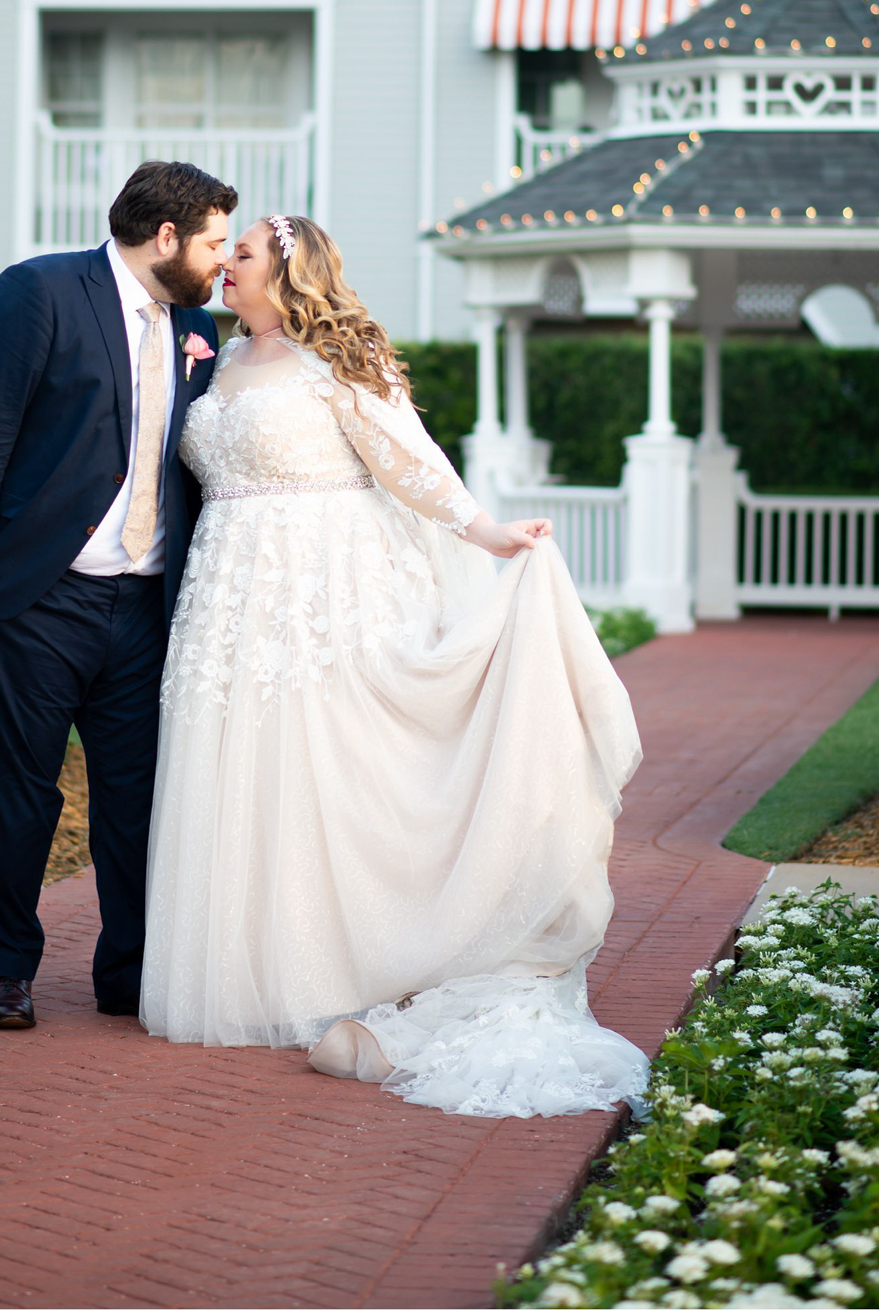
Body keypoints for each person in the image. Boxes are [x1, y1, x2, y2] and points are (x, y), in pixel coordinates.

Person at [139, 212, 649, 1118]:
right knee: (243, 776)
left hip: (319, 591)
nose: (227, 267)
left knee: (326, 777)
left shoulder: (338, 359)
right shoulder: (210, 361)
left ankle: (363, 960)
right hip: (225, 594)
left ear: (287, 270)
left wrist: (487, 533)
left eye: (243, 253)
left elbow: (411, 462)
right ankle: (252, 981)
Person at [0, 160, 234, 1029]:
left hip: (145, 604)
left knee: (136, 801)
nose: (219, 260)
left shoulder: (196, 327)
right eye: (211, 242)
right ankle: (4, 970)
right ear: (164, 237)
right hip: (36, 596)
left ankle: (127, 975)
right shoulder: (40, 291)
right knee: (22, 789)